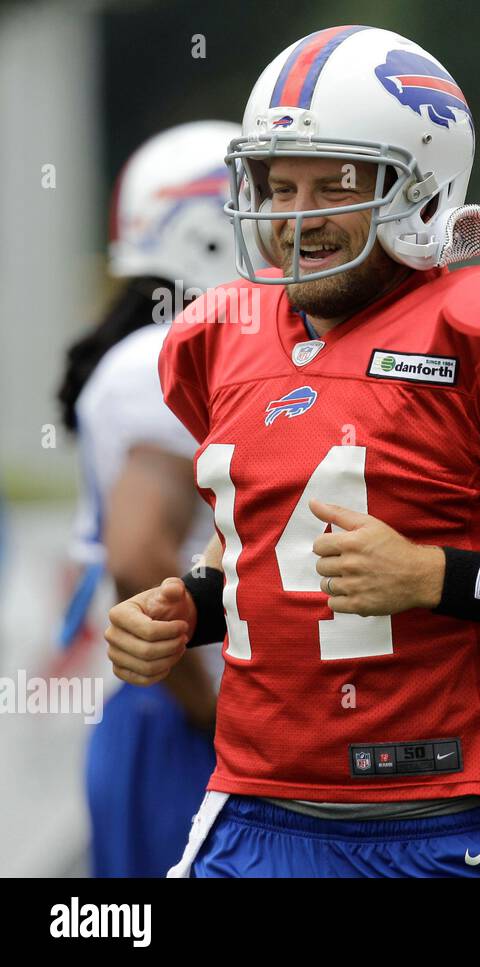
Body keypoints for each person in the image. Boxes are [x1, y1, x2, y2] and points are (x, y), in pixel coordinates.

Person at [103, 26, 480, 879]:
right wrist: (189, 606)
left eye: (333, 183)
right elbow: (266, 545)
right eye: (274, 183)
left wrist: (436, 577)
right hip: (255, 814)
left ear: (423, 184)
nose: (296, 214)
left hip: (448, 826)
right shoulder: (222, 337)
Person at [59, 121, 238, 876]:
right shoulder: (170, 355)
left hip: (158, 710)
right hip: (183, 719)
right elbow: (139, 555)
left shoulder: (154, 347)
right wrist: (216, 715)